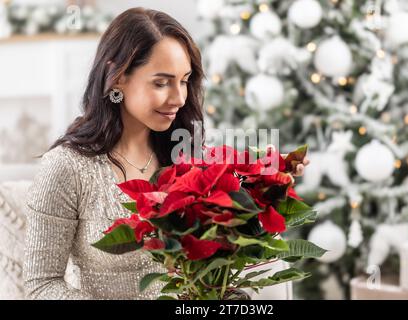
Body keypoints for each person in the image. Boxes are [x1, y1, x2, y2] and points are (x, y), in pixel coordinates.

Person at [23, 7, 309, 300]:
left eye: (184, 80)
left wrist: (270, 180)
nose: (179, 98)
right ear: (117, 76)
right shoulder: (67, 167)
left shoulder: (186, 156)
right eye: (161, 83)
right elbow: (40, 285)